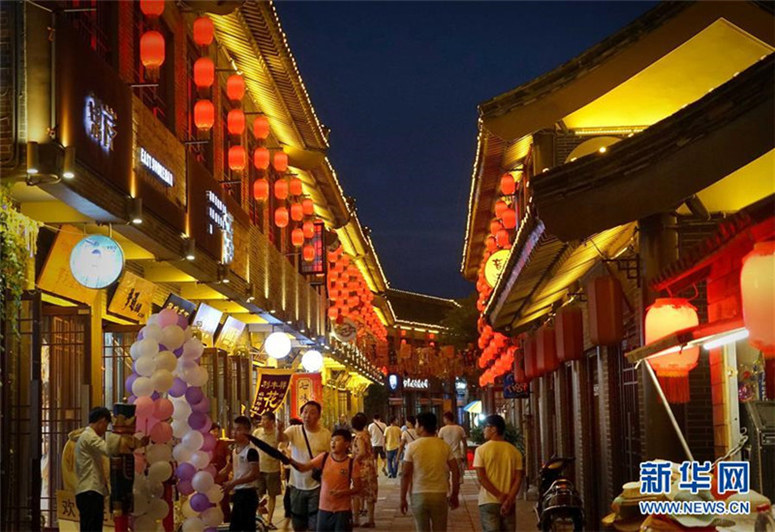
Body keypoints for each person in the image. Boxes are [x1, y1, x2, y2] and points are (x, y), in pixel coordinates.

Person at [289, 429, 362, 532]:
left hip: (342, 511)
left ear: (346, 444)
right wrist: (290, 460)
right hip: (324, 509)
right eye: (332, 440)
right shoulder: (324, 457)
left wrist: (343, 492)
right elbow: (304, 468)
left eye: (337, 440)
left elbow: (358, 488)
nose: (333, 443)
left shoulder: (351, 463)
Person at [400, 412, 460, 532]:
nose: (415, 426)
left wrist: (402, 498)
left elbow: (405, 474)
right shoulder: (444, 446)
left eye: (416, 423)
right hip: (439, 494)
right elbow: (455, 470)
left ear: (422, 427)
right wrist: (454, 493)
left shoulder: (412, 447)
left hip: (419, 494)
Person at [278, 401, 331, 531]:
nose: (307, 415)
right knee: (298, 522)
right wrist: (278, 429)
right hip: (296, 485)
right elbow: (281, 439)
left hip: (317, 485)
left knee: (314, 523)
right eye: (305, 412)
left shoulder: (325, 434)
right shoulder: (294, 430)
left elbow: (330, 458)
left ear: (319, 416)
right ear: (301, 414)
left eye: (312, 412)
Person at [473, 415, 524, 532]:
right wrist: (509, 499)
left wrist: (499, 495)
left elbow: (481, 478)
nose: (483, 430)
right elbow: (518, 478)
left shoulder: (481, 450)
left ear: (493, 429)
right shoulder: (514, 451)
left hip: (488, 501)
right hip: (509, 503)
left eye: (485, 427)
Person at [219, 416, 261, 532]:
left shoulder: (251, 451)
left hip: (248, 494)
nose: (234, 432)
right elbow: (226, 470)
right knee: (235, 527)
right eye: (234, 429)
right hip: (238, 494)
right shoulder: (234, 450)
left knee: (247, 527)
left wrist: (233, 483)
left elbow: (254, 474)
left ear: (247, 432)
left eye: (238, 429)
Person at [75, 407, 111, 532]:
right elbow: (109, 450)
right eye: (106, 425)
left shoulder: (85, 436)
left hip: (87, 491)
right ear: (102, 421)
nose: (106, 429)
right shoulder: (89, 436)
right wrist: (128, 443)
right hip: (90, 491)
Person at [253, 412, 282, 530]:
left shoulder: (277, 434)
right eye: (262, 419)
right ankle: (260, 519)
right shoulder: (257, 432)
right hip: (259, 468)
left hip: (272, 469)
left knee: (272, 494)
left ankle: (269, 519)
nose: (263, 422)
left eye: (265, 420)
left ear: (271, 421)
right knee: (258, 494)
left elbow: (282, 448)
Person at [351, 413, 378, 528]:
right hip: (370, 466)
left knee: (356, 493)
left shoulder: (359, 437)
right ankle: (370, 519)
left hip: (361, 468)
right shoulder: (366, 434)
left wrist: (354, 461)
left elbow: (361, 452)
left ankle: (356, 519)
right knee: (370, 493)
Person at [210, 423, 233, 523]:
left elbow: (228, 457)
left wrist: (228, 469)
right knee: (210, 500)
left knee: (224, 500)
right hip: (209, 475)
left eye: (217, 431)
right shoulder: (206, 444)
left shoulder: (223, 444)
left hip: (222, 474)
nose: (215, 433)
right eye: (213, 431)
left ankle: (227, 521)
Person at [437, 412, 468, 486]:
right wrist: (465, 454)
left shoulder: (442, 430)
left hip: (445, 456)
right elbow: (464, 443)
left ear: (446, 419)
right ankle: (455, 492)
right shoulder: (460, 429)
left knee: (446, 476)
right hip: (457, 455)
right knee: (457, 475)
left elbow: (439, 443)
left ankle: (448, 492)